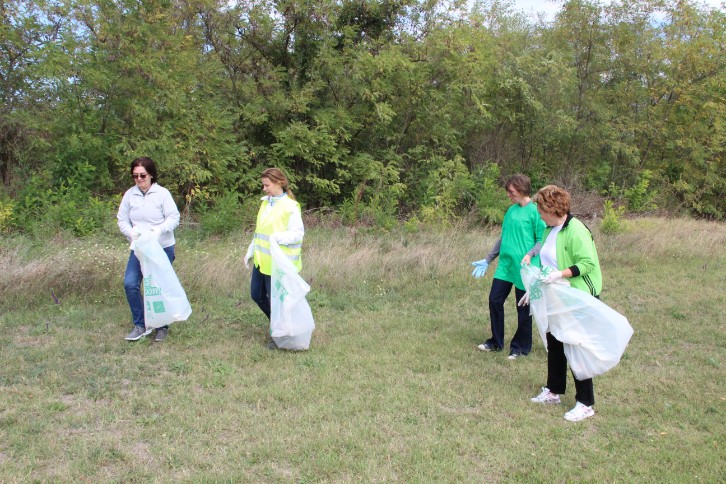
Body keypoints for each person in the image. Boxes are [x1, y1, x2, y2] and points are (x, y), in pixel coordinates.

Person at [519, 185, 603, 422]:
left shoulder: (576, 230)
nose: (539, 214)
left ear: (553, 208)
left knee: (576, 347)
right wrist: (534, 290)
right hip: (558, 296)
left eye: (541, 210)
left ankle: (585, 403)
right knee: (555, 342)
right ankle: (553, 391)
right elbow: (546, 264)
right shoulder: (549, 230)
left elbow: (587, 263)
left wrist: (560, 274)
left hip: (578, 296)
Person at [471, 174, 545, 359]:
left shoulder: (535, 212)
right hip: (505, 266)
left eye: (511, 192)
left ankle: (520, 347)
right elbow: (503, 238)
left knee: (523, 308)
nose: (508, 195)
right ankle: (496, 342)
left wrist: (530, 254)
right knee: (494, 300)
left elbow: (541, 240)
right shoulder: (511, 211)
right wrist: (488, 259)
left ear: (521, 190)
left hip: (526, 268)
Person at [117, 157, 180, 342]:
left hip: (162, 247)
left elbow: (173, 217)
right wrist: (131, 233)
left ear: (151, 175)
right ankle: (140, 324)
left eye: (142, 175)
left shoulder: (162, 194)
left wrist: (158, 230)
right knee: (130, 283)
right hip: (139, 248)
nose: (139, 179)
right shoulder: (130, 195)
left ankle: (161, 326)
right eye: (135, 176)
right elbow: (122, 219)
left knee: (157, 287)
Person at [244, 168, 304, 350]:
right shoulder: (265, 203)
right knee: (257, 295)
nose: (264, 189)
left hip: (278, 264)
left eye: (267, 185)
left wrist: (279, 237)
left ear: (279, 183)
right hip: (261, 261)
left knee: (277, 302)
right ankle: (280, 326)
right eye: (263, 185)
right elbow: (260, 231)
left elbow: (297, 234)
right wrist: (250, 250)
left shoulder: (290, 206)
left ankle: (281, 334)